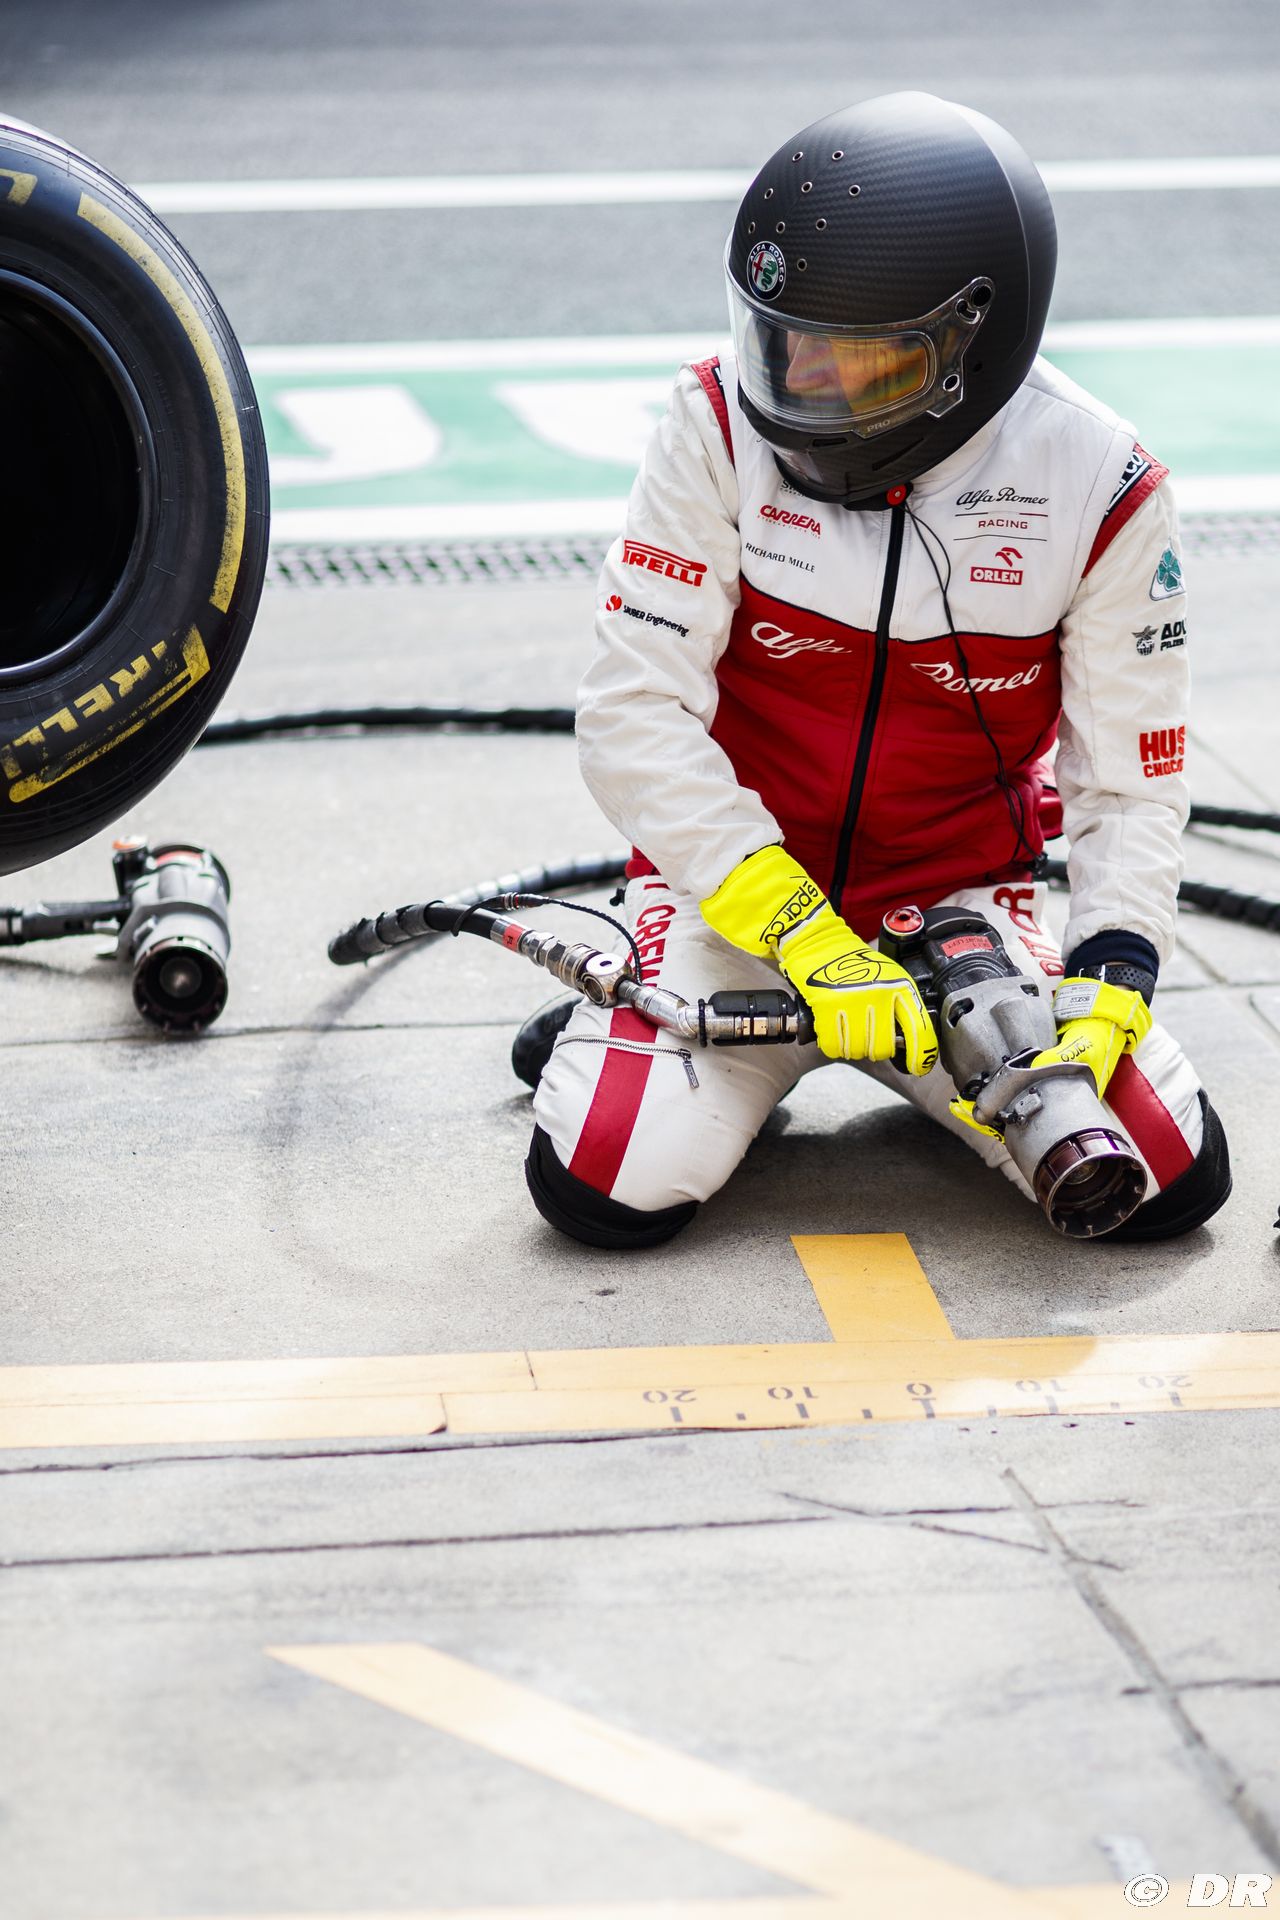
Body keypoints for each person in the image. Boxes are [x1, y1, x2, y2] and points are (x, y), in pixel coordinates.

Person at [521, 90, 1231, 1249]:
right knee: (600, 1186)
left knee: (1162, 1181)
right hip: (741, 904)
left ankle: (871, 1069)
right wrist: (797, 931)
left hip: (955, 910)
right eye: (782, 337)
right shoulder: (710, 421)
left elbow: (1126, 781)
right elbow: (630, 713)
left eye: (855, 356)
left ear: (974, 345)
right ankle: (649, 983)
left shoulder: (1101, 486)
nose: (801, 376)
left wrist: (1112, 973)